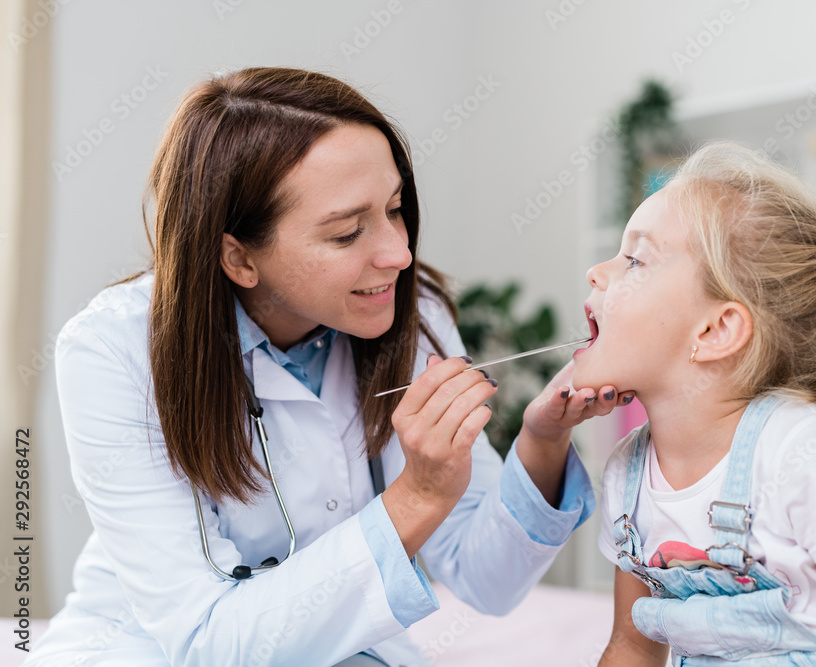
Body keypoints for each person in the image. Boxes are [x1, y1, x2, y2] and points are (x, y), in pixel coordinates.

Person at [28, 67, 629, 666]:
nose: (399, 254)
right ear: (238, 257)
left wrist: (542, 441)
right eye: (346, 233)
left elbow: (487, 583)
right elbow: (209, 643)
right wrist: (414, 499)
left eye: (395, 209)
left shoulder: (410, 313)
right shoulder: (112, 350)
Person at [576, 142, 816, 666]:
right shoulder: (628, 476)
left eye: (634, 259)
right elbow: (632, 647)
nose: (595, 273)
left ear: (717, 330)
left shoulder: (807, 458)